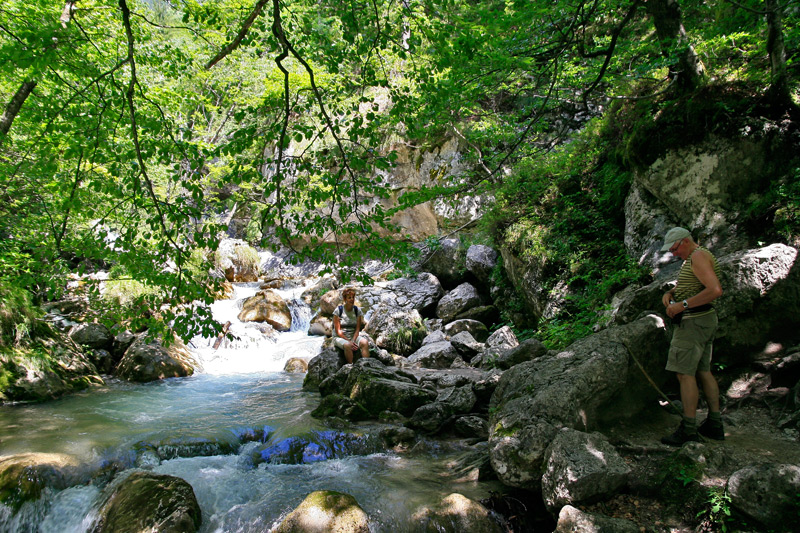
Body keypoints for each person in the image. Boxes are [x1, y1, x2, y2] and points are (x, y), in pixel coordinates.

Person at [659, 227, 725, 445]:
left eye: (675, 249)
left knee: (683, 373)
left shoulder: (697, 256)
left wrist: (682, 306)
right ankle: (714, 423)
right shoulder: (695, 258)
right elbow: (693, 285)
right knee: (703, 371)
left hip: (694, 322)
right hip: (703, 320)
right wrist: (671, 293)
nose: (674, 254)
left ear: (685, 241)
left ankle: (688, 429)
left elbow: (714, 290)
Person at [332, 287, 370, 364]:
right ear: (345, 299)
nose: (352, 299)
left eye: (353, 297)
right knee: (348, 345)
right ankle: (351, 366)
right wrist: (349, 341)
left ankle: (366, 365)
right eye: (349, 298)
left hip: (353, 336)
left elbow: (357, 329)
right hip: (339, 337)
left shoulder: (357, 310)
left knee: (365, 342)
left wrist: (353, 340)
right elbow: (338, 331)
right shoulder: (338, 310)